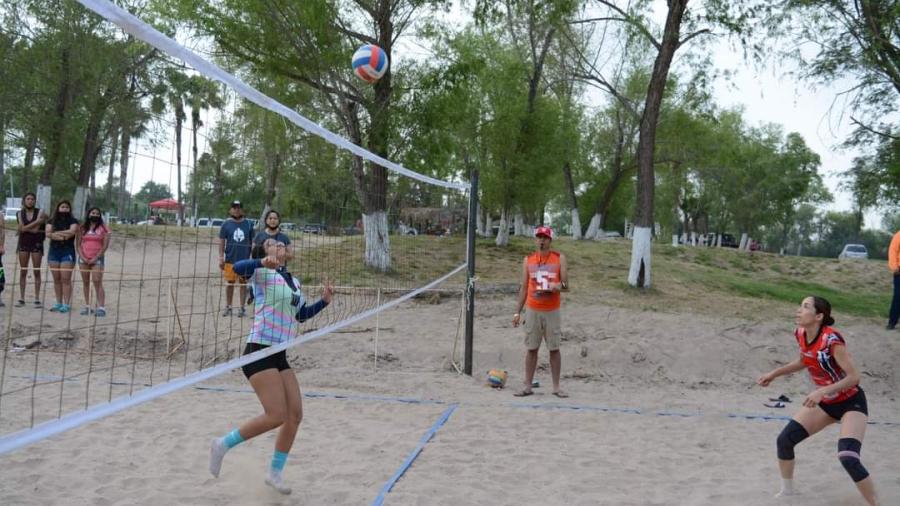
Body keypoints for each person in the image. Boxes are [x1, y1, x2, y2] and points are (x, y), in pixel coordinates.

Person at [208, 238, 333, 495]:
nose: (279, 244)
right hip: (258, 351)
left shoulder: (294, 281)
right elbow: (237, 268)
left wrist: (324, 301)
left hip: (279, 353)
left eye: (280, 243)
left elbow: (301, 315)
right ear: (265, 252)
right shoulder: (261, 272)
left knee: (295, 415)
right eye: (272, 243)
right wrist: (261, 262)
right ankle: (222, 444)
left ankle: (274, 473)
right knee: (276, 415)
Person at [757, 296, 878, 505]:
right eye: (800, 306)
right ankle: (787, 492)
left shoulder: (832, 340)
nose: (798, 310)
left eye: (805, 307)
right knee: (784, 441)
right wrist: (774, 374)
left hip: (851, 403)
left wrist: (822, 391)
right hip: (826, 404)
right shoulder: (800, 333)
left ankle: (876, 503)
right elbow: (804, 360)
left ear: (819, 316)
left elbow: (854, 378)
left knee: (848, 457)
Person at [511, 226, 569, 398]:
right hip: (533, 309)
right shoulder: (528, 260)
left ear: (550, 240)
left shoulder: (559, 258)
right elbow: (524, 288)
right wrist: (517, 312)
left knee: (554, 348)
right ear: (536, 240)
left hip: (552, 310)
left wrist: (557, 286)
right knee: (531, 348)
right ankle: (527, 386)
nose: (542, 240)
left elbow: (566, 285)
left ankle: (556, 387)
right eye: (539, 237)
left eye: (545, 238)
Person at [218, 201, 254, 317]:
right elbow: (222, 242)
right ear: (230, 210)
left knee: (243, 284)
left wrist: (252, 258)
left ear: (242, 209)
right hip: (230, 259)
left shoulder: (249, 224)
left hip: (245, 260)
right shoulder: (225, 224)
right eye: (234, 207)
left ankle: (242, 308)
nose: (236, 210)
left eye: (239, 207)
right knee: (230, 283)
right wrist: (221, 257)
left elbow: (252, 242)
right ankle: (228, 306)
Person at [44, 201, 79, 313]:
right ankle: (58, 303)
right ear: (58, 208)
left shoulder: (73, 221)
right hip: (54, 252)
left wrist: (55, 234)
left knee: (66, 279)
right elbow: (47, 233)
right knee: (56, 279)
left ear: (70, 209)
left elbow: (72, 232)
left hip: (67, 251)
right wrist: (63, 236)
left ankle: (66, 304)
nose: (64, 209)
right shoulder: (51, 220)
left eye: (67, 207)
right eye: (62, 207)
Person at [76, 207, 111, 317]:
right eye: (93, 213)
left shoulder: (104, 228)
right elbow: (78, 245)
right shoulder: (82, 228)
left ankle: (101, 307)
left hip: (97, 259)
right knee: (85, 282)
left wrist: (96, 258)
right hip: (83, 259)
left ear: (100, 215)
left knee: (97, 281)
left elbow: (105, 246)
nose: (95, 215)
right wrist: (83, 257)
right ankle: (87, 306)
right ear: (88, 214)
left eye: (97, 213)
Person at [15, 192, 47, 307]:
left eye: (32, 199)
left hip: (36, 243)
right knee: (23, 271)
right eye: (28, 199)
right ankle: (22, 298)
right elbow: (24, 227)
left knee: (36, 271)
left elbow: (35, 230)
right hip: (23, 243)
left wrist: (23, 228)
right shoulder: (19, 213)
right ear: (24, 200)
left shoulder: (40, 212)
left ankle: (37, 298)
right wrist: (35, 222)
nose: (30, 201)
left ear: (35, 201)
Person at [887, 230, 900, 330]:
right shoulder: (899, 235)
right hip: (899, 270)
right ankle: (892, 322)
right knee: (898, 297)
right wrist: (894, 267)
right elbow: (893, 250)